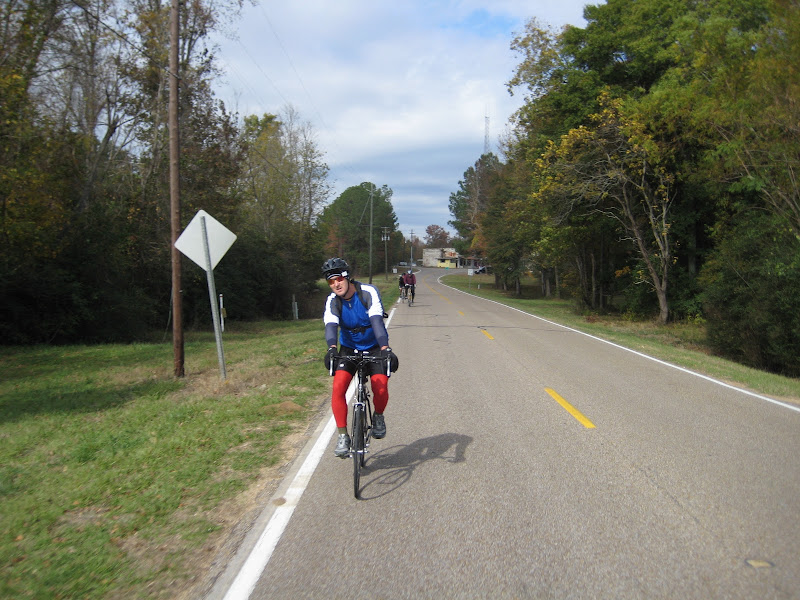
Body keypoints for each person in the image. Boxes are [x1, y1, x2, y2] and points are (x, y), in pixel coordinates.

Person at [321, 258, 399, 458]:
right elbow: (331, 326)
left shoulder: (367, 292)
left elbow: (377, 322)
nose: (336, 284)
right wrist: (332, 349)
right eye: (331, 281)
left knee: (380, 385)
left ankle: (378, 416)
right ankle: (342, 436)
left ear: (347, 277)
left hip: (374, 347)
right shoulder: (333, 300)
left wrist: (385, 348)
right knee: (338, 387)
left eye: (339, 279)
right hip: (348, 348)